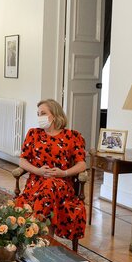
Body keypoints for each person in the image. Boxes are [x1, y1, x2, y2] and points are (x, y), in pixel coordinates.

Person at [15, 99, 87, 241]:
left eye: (43, 113)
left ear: (54, 115)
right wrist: (38, 171)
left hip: (62, 184)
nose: (39, 117)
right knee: (47, 188)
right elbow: (22, 160)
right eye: (38, 114)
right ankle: (43, 238)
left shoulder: (72, 136)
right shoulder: (33, 134)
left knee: (50, 185)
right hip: (36, 182)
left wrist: (63, 173)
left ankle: (40, 238)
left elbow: (82, 165)